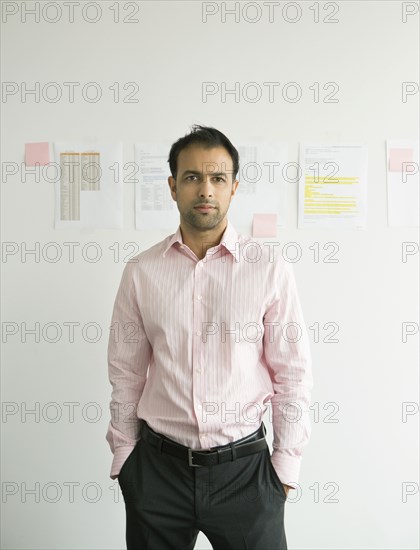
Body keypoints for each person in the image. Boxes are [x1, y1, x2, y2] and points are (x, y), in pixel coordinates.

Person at [106, 125, 313, 550]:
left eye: (218, 178)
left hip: (247, 474)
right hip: (158, 473)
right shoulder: (141, 272)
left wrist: (284, 469)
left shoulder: (269, 269)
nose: (206, 189)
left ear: (234, 188)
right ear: (172, 187)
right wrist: (125, 456)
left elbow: (292, 375)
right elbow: (126, 372)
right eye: (192, 177)